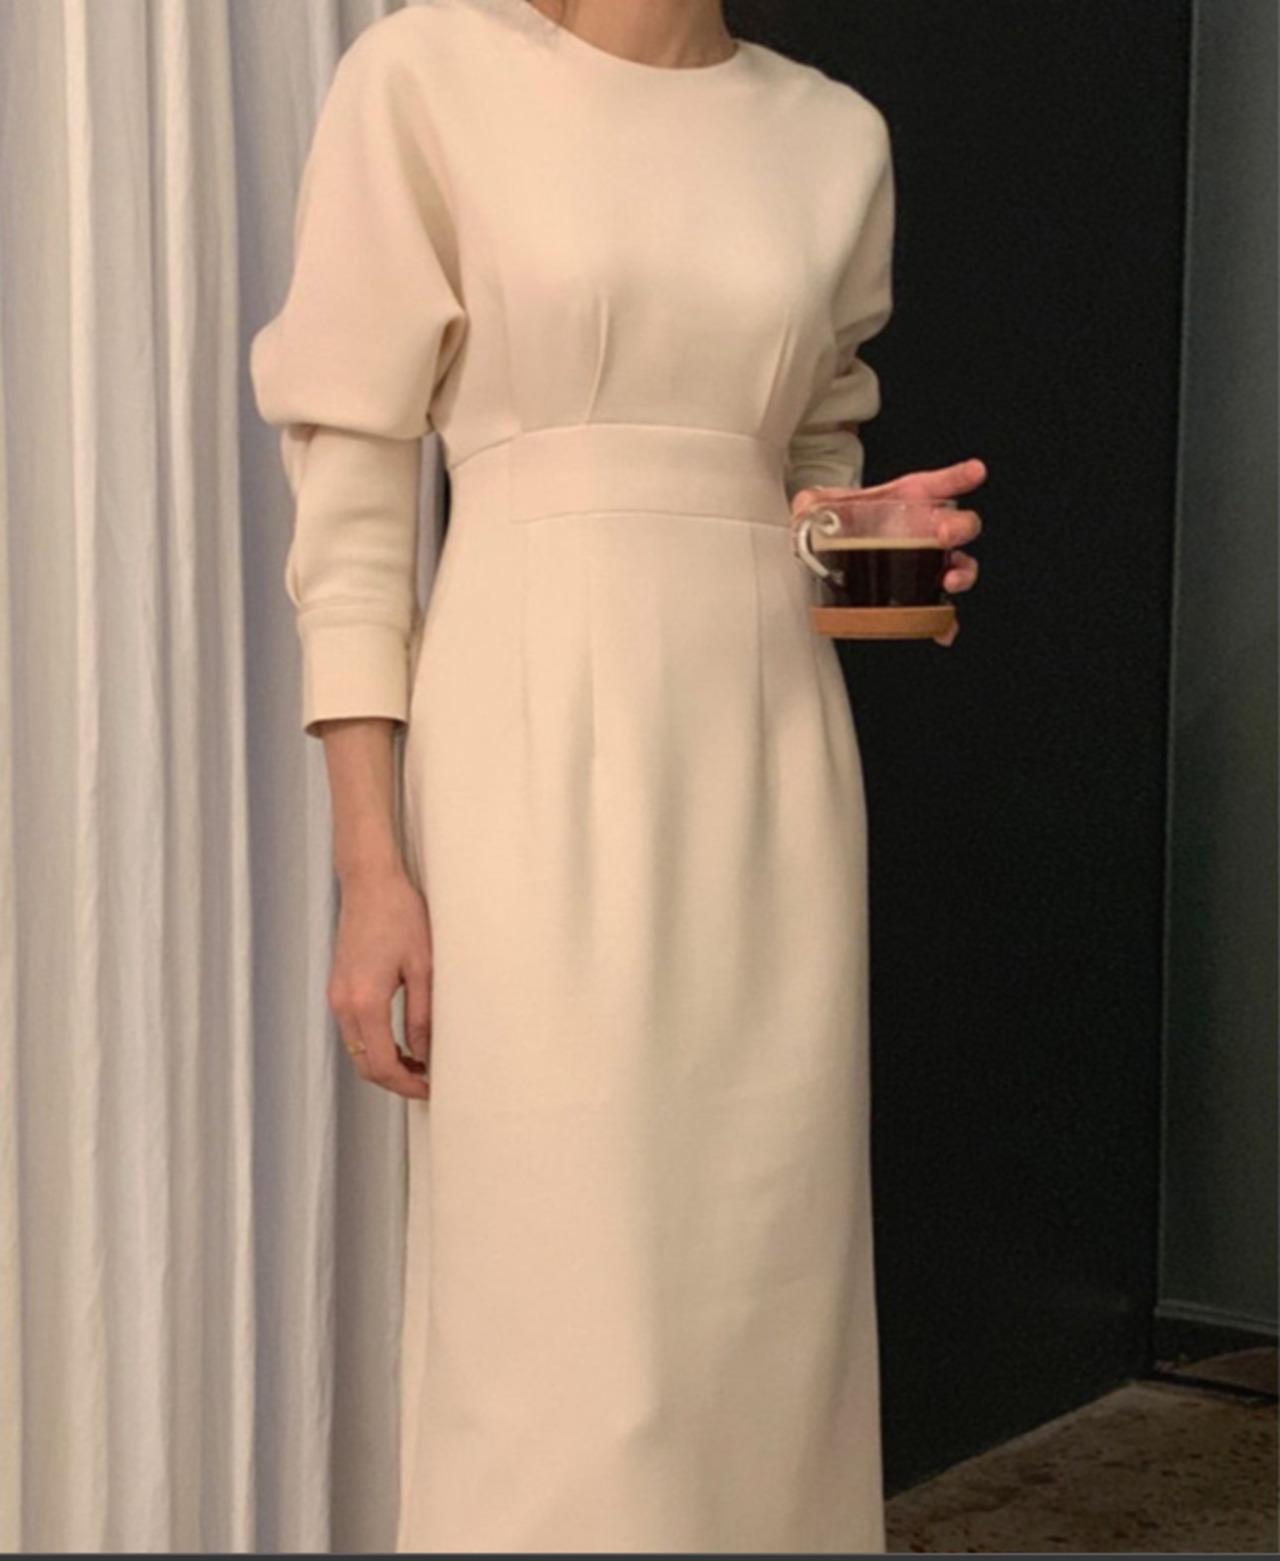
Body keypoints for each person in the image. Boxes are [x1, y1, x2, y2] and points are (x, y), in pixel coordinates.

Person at [249, 0, 984, 1551]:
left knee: (765, 1293)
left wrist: (859, 538)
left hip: (768, 764)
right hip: (523, 741)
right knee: (555, 1303)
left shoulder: (835, 138)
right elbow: (354, 512)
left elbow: (811, 469)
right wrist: (372, 866)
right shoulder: (424, 79)